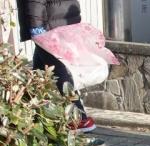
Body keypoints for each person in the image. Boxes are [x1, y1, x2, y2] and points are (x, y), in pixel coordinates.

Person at [17, 0, 96, 133]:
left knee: (58, 71)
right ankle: (29, 112)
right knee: (38, 71)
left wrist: (36, 30)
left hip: (46, 27)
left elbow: (35, 2)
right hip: (60, 22)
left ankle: (80, 118)